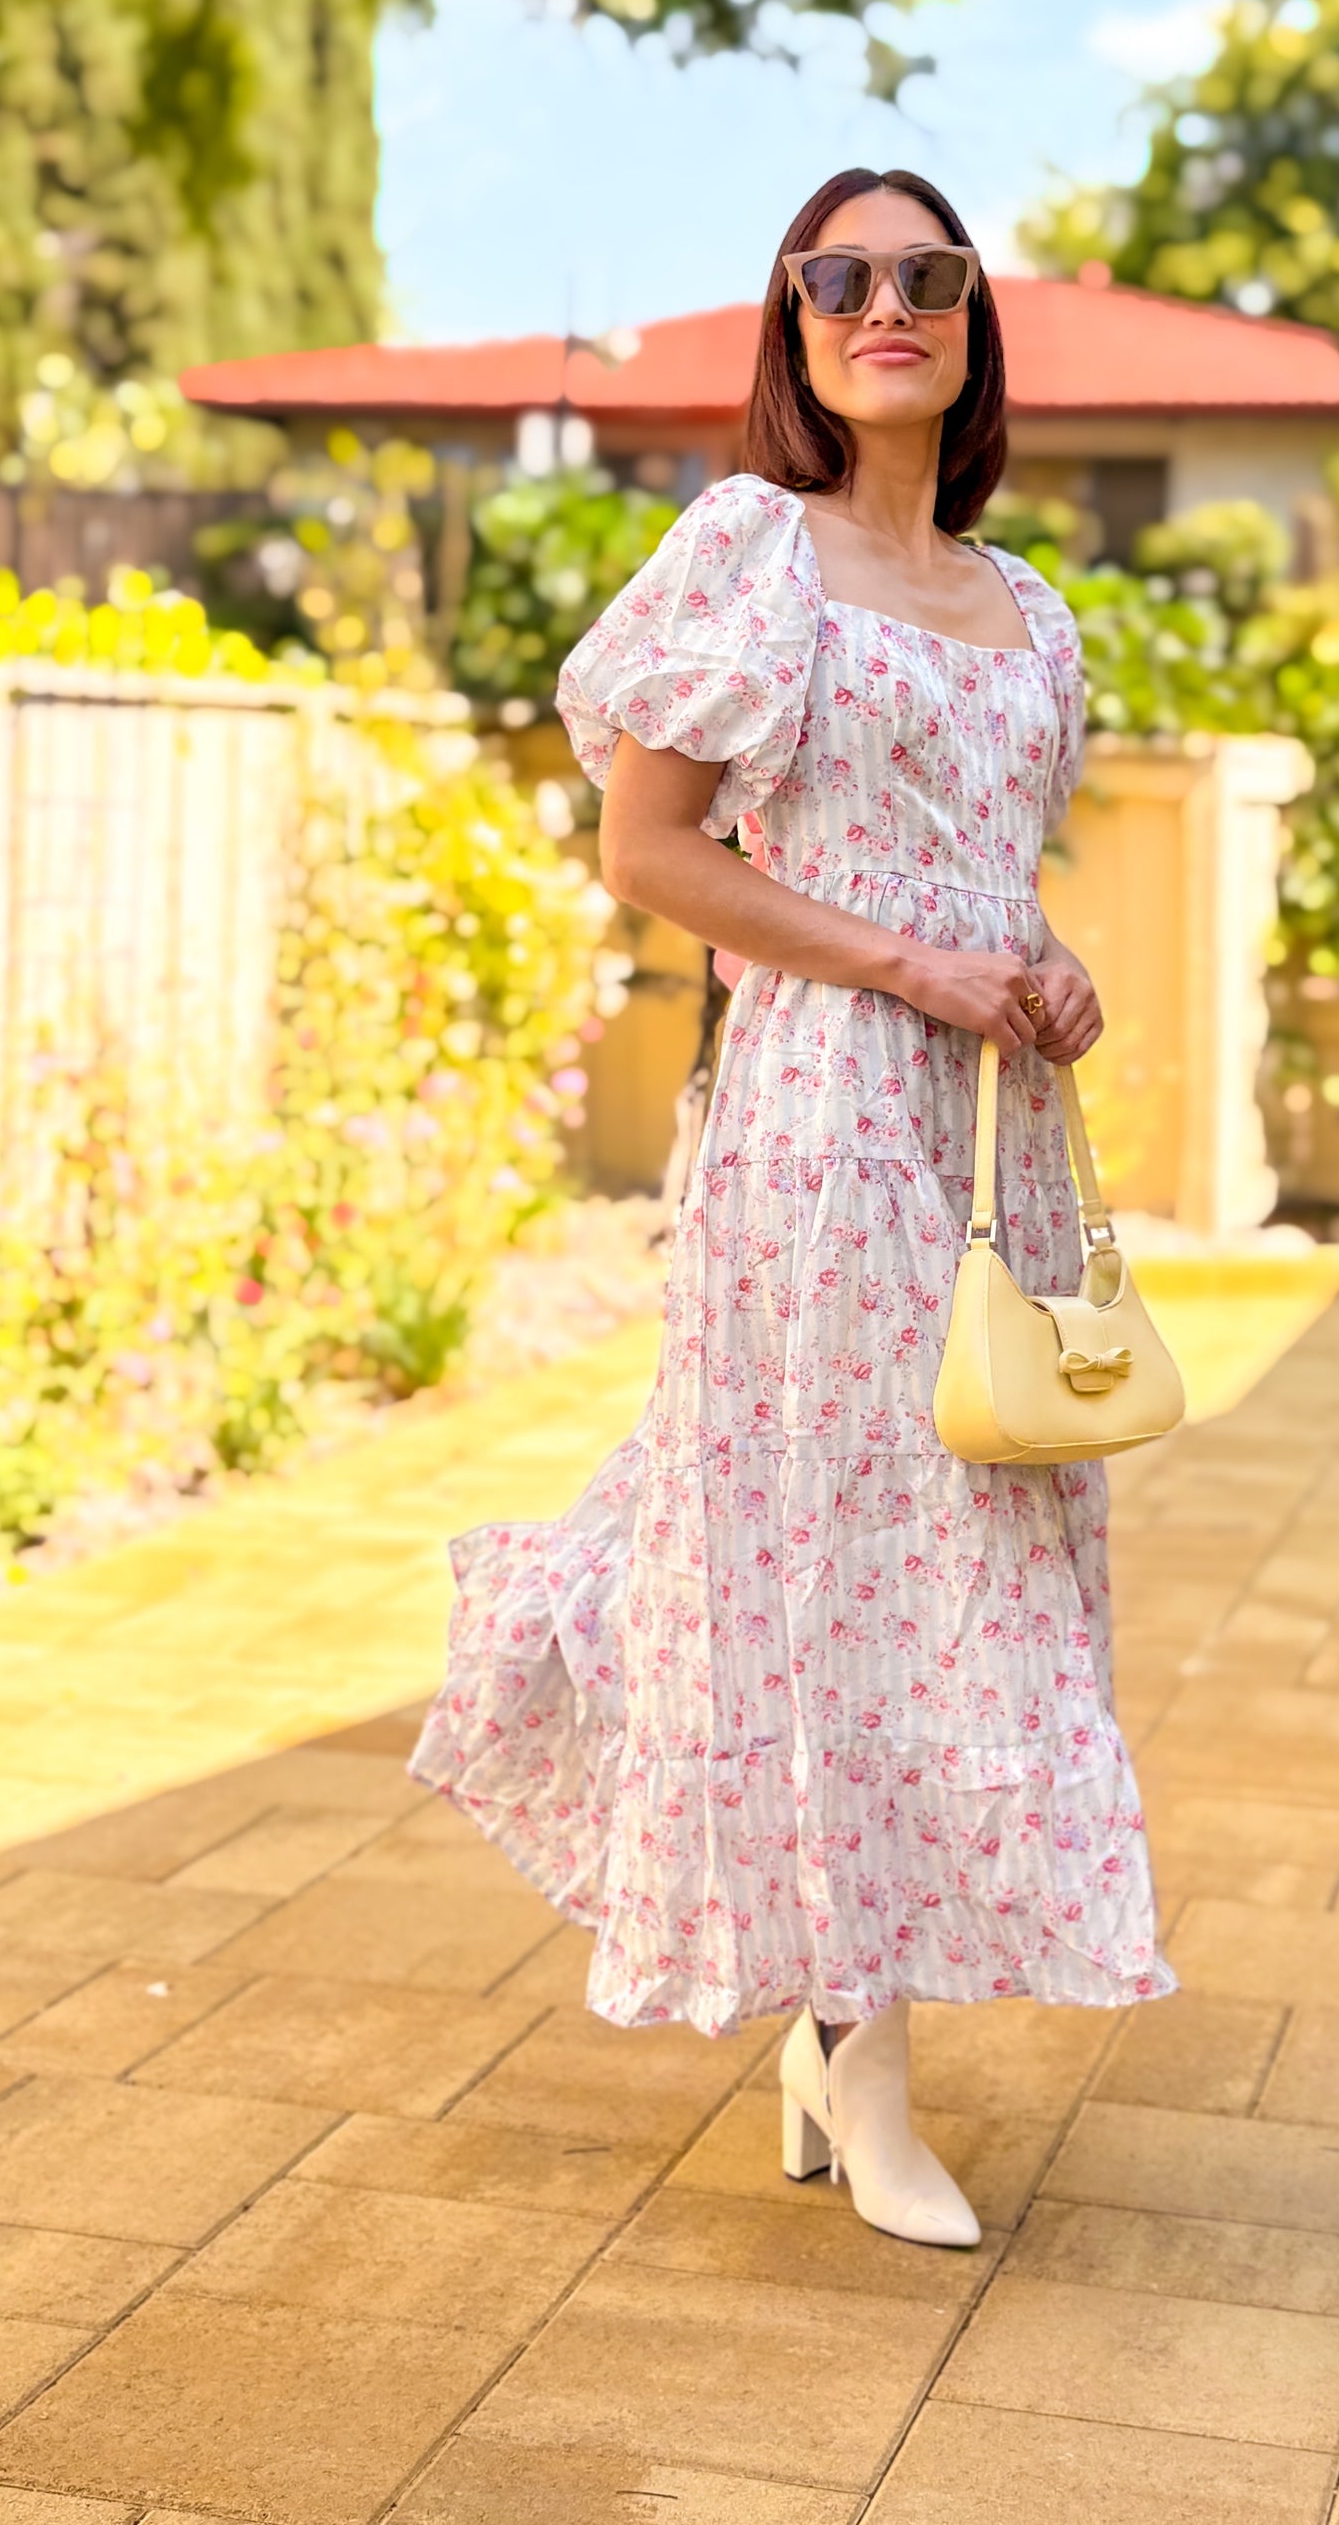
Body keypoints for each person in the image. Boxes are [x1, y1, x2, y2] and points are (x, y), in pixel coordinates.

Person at [410, 166, 1174, 2250]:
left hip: (987, 1128)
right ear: (799, 321)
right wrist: (909, 968)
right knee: (850, 1573)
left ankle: (838, 2027)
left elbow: (983, 881)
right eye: (838, 276)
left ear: (970, 321)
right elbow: (652, 854)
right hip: (828, 1128)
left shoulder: (1036, 613)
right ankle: (868, 2060)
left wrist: (1037, 968)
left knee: (978, 1580)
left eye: (924, 273)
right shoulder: (754, 552)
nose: (883, 303)